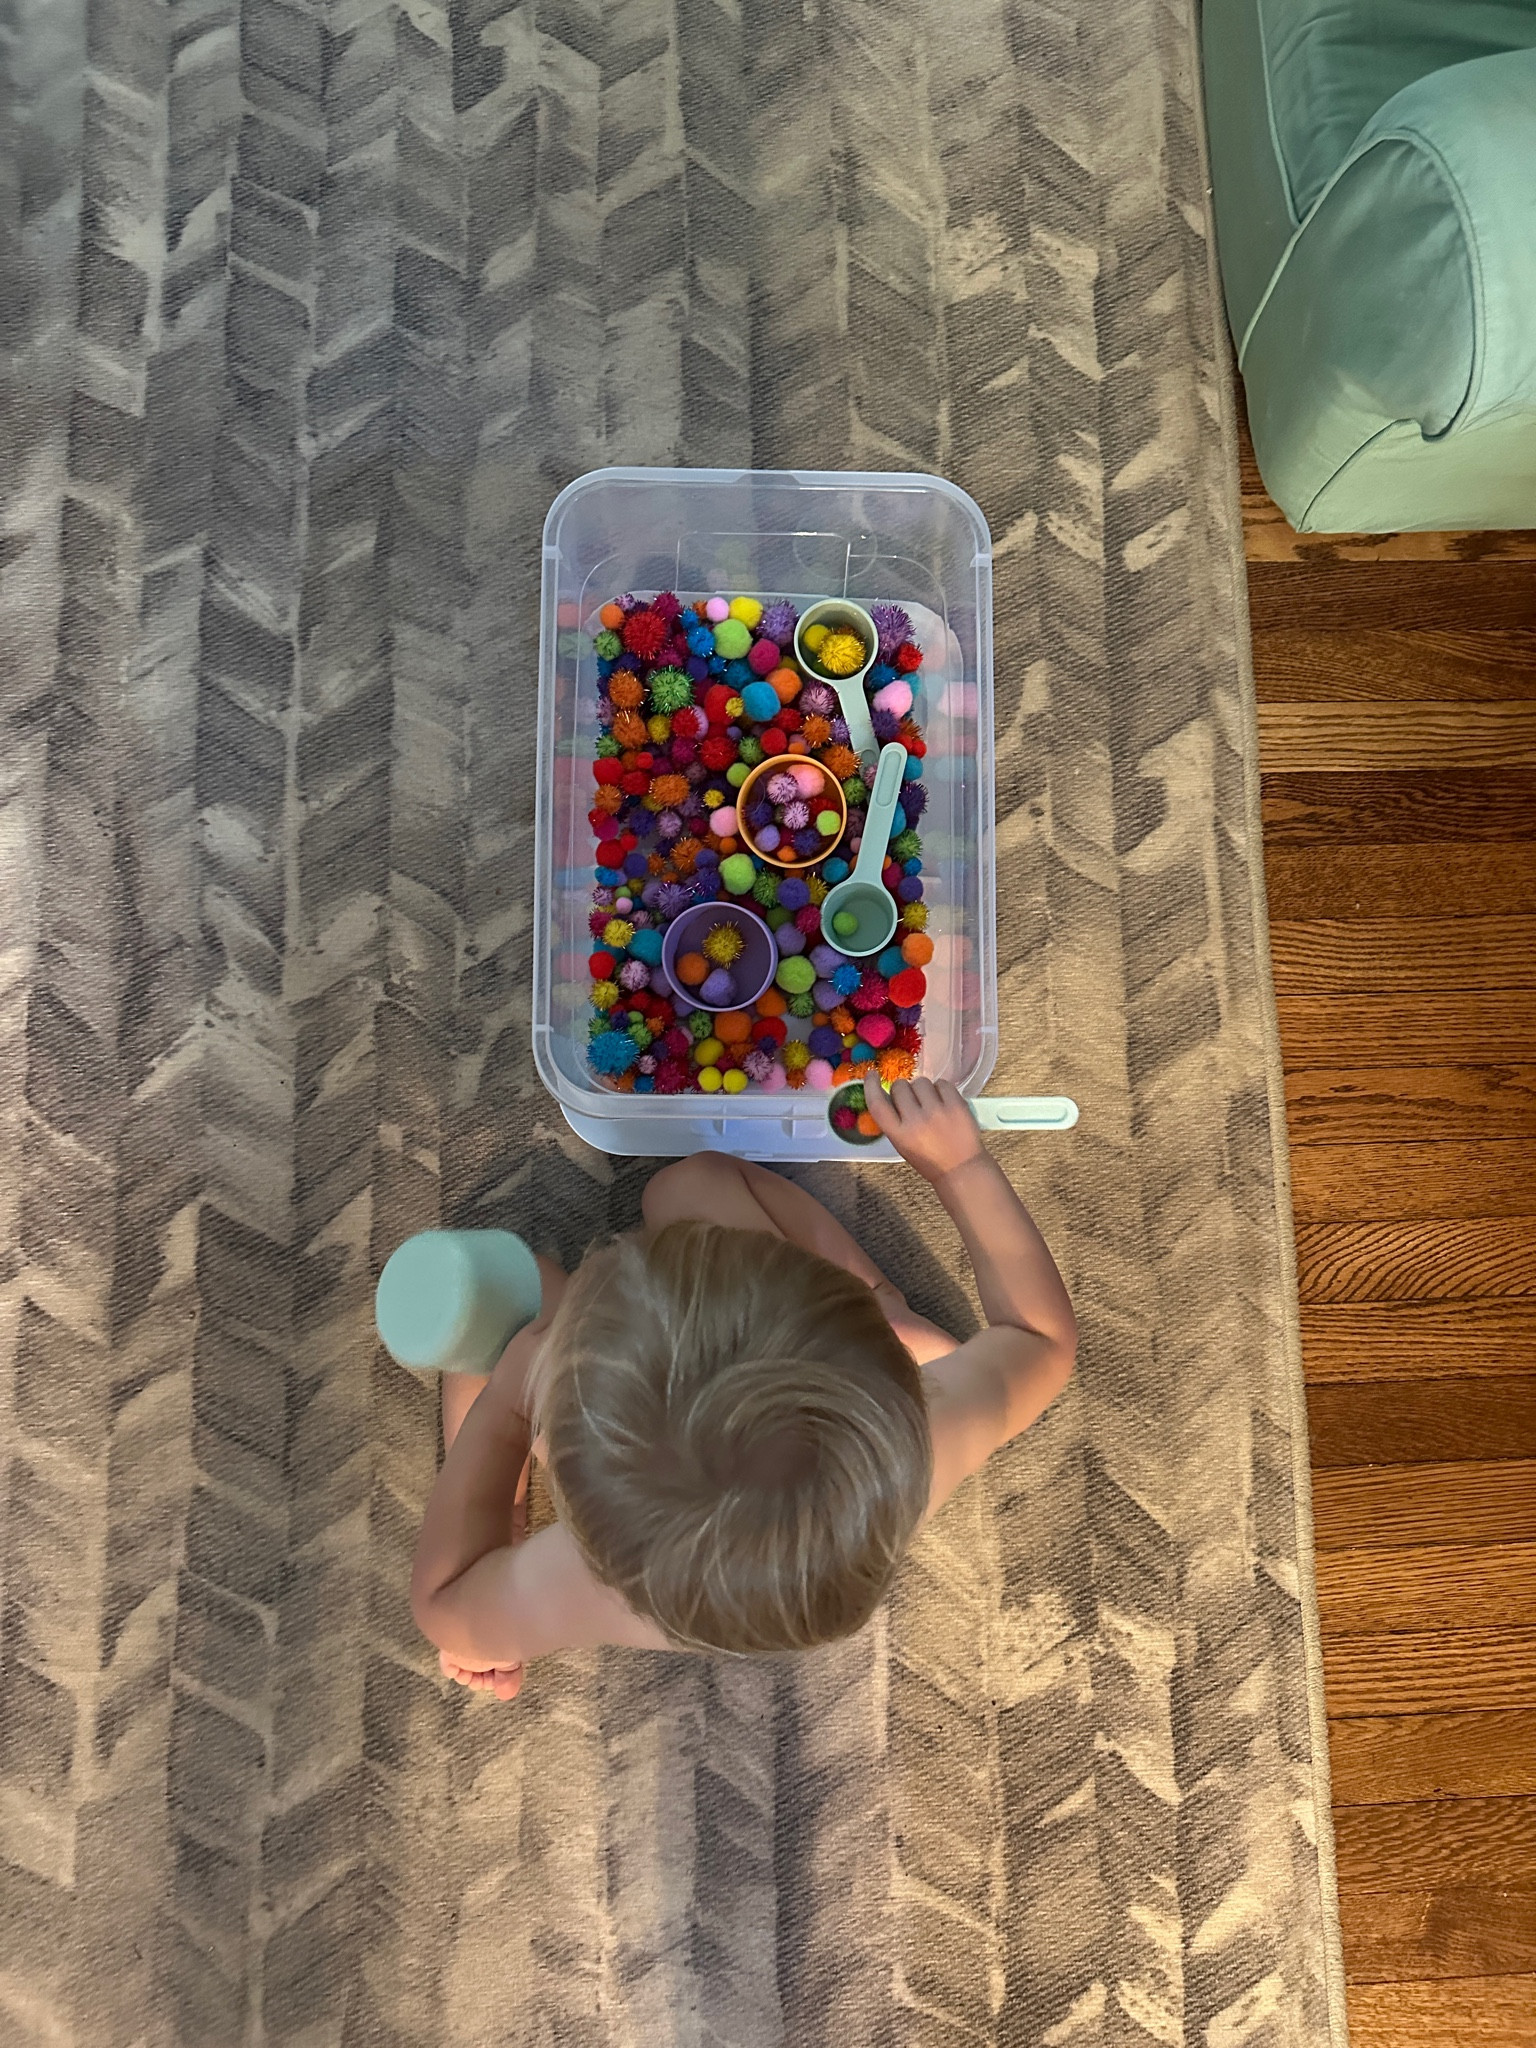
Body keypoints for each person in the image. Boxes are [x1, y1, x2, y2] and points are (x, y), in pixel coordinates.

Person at [410, 1079, 1077, 1701]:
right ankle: (884, 1308)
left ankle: (503, 1522)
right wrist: (960, 1168)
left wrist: (507, 1405)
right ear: (881, 1384)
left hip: (617, 1509)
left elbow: (443, 1603)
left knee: (505, 1289)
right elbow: (1040, 1337)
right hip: (832, 1407)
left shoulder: (584, 1582)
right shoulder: (924, 1433)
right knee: (689, 1185)